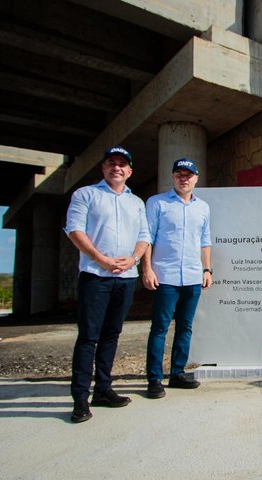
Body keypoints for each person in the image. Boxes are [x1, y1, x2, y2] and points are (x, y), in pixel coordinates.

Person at [64, 145, 150, 423]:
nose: (117, 167)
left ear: (130, 171)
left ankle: (103, 389)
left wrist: (134, 259)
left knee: (112, 335)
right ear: (103, 168)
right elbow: (74, 230)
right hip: (95, 276)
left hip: (125, 277)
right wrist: (100, 259)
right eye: (111, 163)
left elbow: (145, 235)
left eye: (122, 164)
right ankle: (80, 399)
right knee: (89, 336)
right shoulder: (86, 194)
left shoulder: (136, 202)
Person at [142, 158, 212, 399]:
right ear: (172, 177)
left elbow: (205, 240)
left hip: (193, 275)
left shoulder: (202, 207)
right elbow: (147, 238)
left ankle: (177, 373)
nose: (184, 178)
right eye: (179, 174)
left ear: (196, 178)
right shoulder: (157, 203)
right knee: (160, 328)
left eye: (188, 174)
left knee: (185, 327)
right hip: (165, 276)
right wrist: (147, 269)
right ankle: (154, 379)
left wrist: (207, 270)